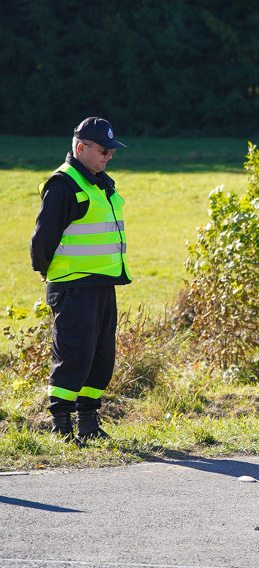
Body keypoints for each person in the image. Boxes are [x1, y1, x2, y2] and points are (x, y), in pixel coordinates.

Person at [30, 117, 130, 443]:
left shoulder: (99, 182)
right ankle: (61, 428)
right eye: (103, 150)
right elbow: (41, 241)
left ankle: (88, 423)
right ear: (81, 147)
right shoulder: (64, 185)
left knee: (100, 357)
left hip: (102, 282)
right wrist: (47, 271)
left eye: (111, 151)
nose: (109, 156)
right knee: (73, 355)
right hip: (73, 285)